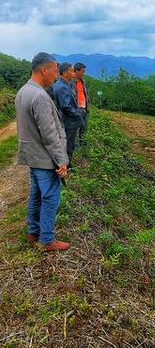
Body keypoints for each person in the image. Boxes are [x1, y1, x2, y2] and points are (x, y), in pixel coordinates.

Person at [18, 52, 70, 252]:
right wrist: (61, 161)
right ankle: (47, 240)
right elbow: (49, 135)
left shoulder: (23, 91)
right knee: (50, 197)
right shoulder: (40, 96)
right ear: (43, 70)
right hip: (45, 158)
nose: (56, 75)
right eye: (55, 71)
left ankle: (33, 232)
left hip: (32, 156)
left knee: (36, 195)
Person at [51, 62, 84, 161]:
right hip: (68, 122)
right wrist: (78, 113)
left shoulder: (60, 84)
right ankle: (67, 165)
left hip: (65, 120)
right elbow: (66, 107)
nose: (73, 72)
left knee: (67, 144)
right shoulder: (63, 87)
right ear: (65, 73)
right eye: (71, 70)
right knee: (68, 145)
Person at [73, 62, 88, 143]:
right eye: (82, 71)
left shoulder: (83, 82)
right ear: (77, 71)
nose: (84, 73)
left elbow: (86, 95)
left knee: (84, 128)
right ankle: (74, 146)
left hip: (84, 109)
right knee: (75, 129)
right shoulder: (70, 82)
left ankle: (83, 145)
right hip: (76, 109)